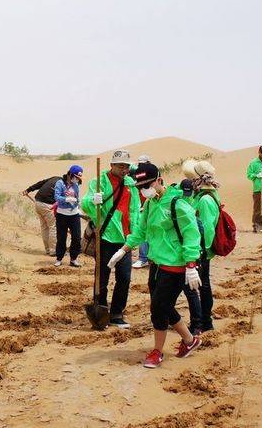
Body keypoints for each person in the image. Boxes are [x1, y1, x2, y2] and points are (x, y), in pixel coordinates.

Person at [107, 165, 203, 368]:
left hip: (175, 266)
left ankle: (157, 352)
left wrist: (191, 265)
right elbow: (141, 231)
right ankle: (189, 340)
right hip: (156, 264)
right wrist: (123, 250)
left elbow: (191, 234)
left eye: (147, 185)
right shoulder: (150, 204)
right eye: (141, 187)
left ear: (159, 180)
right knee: (163, 306)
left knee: (158, 309)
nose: (144, 190)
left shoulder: (177, 203)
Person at [81, 149, 141, 329]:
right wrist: (94, 200)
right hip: (106, 237)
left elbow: (135, 209)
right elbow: (84, 203)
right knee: (102, 277)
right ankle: (101, 310)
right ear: (112, 165)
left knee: (124, 278)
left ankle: (116, 313)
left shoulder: (130, 184)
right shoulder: (99, 182)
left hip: (125, 238)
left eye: (126, 166)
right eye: (120, 166)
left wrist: (135, 234)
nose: (124, 169)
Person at [182, 159, 221, 334]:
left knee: (201, 286)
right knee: (203, 285)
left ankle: (203, 321)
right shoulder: (203, 196)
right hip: (201, 250)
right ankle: (204, 320)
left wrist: (199, 252)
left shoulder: (205, 200)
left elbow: (206, 229)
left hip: (202, 251)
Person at [22, 175, 62, 256]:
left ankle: (48, 250)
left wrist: (28, 190)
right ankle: (53, 251)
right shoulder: (64, 185)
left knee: (44, 227)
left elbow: (41, 183)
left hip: (38, 203)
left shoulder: (55, 178)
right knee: (53, 226)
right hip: (47, 205)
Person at [54, 165, 84, 267]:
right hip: (62, 214)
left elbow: (77, 198)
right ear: (69, 174)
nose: (76, 179)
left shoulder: (76, 185)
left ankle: (73, 259)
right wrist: (66, 199)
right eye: (75, 177)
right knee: (61, 237)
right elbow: (57, 197)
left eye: (78, 178)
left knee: (76, 237)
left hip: (74, 215)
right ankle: (59, 258)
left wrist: (78, 205)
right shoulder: (60, 183)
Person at [132, 154, 152, 269]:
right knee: (143, 232)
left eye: (142, 164)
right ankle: (145, 257)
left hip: (148, 207)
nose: (140, 166)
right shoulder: (140, 174)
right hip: (140, 208)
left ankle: (144, 258)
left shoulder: (149, 174)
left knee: (147, 233)